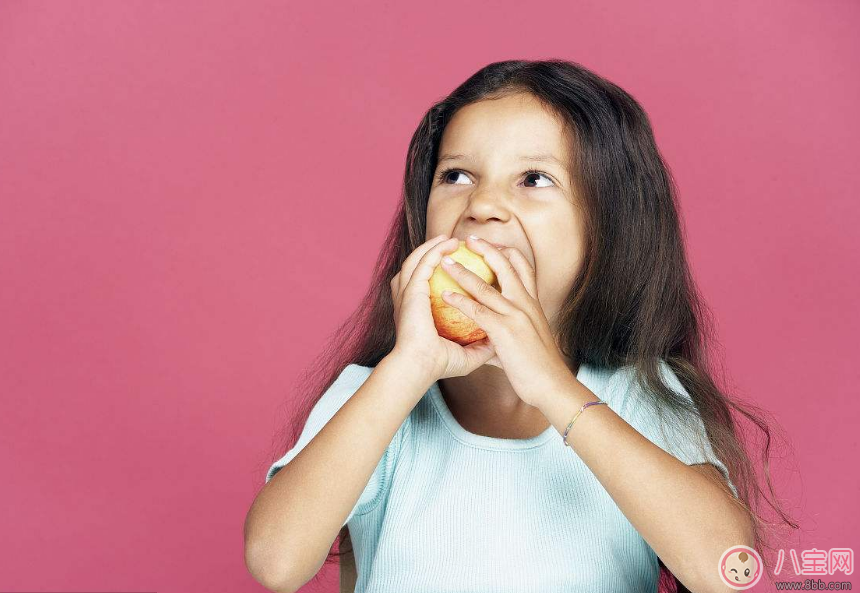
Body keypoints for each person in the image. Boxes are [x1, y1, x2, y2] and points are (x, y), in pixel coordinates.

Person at [245, 59, 797, 593]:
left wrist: (551, 385)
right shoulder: (377, 397)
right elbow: (276, 562)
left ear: (609, 226)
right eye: (456, 175)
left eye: (534, 179)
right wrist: (407, 369)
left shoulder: (640, 396)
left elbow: (725, 570)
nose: (482, 205)